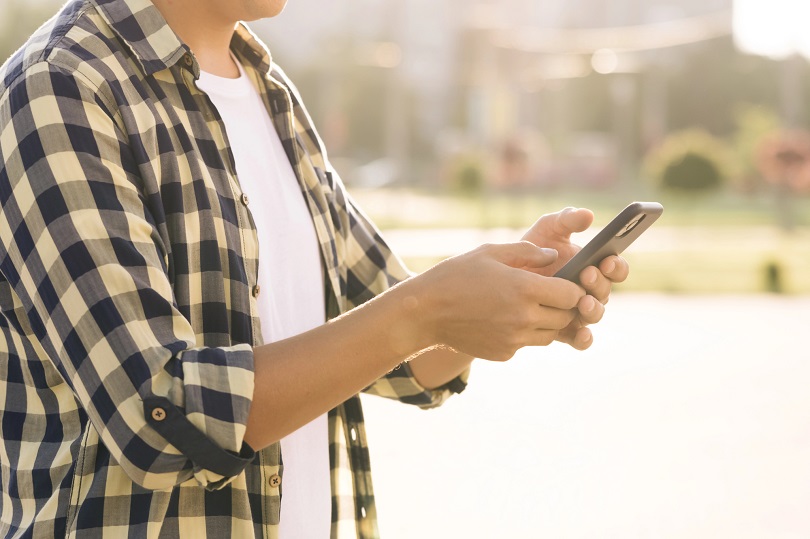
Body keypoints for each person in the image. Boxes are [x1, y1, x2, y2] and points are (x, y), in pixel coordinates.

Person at [0, 0, 629, 537]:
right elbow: (160, 416)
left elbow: (401, 358)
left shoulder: (267, 91)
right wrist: (427, 310)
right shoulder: (59, 88)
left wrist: (509, 290)